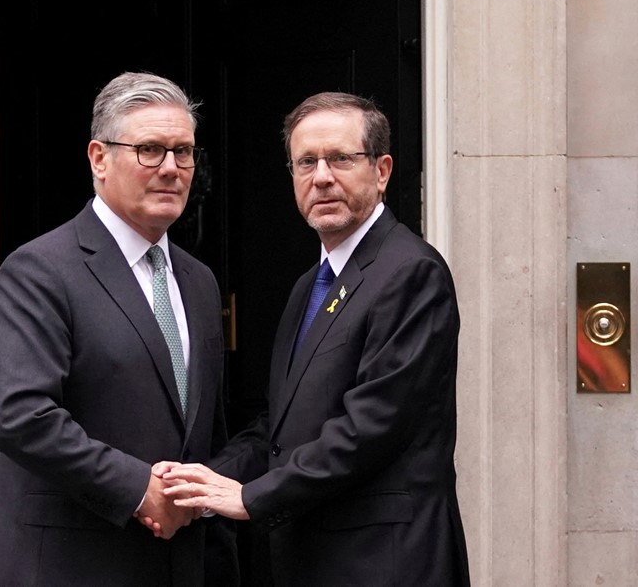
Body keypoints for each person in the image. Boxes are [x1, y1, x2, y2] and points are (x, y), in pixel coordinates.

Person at [157, 92, 471, 585]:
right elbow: (279, 429)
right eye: (306, 162)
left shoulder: (411, 272)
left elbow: (369, 427)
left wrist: (250, 497)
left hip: (387, 563)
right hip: (313, 560)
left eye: (341, 159)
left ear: (382, 170)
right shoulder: (311, 285)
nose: (321, 177)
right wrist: (202, 482)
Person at [0, 71, 237, 586]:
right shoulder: (40, 270)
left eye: (183, 152)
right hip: (68, 566)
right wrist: (139, 489)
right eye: (149, 150)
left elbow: (205, 433)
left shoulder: (199, 282)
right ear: (99, 158)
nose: (171, 168)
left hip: (179, 565)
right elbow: (18, 417)